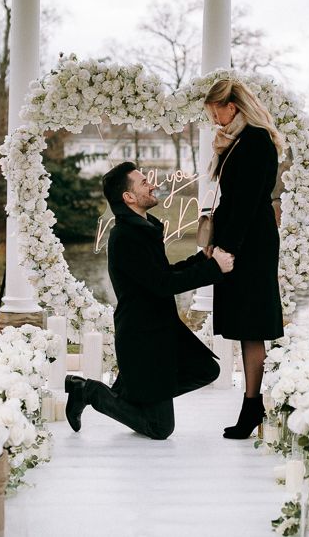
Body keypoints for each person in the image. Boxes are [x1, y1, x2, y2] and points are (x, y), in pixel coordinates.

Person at [64, 161, 235, 440]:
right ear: (128, 197)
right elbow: (162, 285)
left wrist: (201, 259)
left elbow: (161, 274)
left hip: (160, 330)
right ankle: (89, 391)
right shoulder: (125, 237)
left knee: (206, 369)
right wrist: (213, 269)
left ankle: (130, 393)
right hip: (143, 339)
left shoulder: (143, 229)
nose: (153, 184)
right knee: (159, 428)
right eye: (143, 182)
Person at [204, 77, 286, 439]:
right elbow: (233, 201)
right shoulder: (239, 140)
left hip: (250, 243)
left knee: (251, 325)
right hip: (243, 236)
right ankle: (253, 404)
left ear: (232, 106)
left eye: (216, 112)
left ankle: (253, 405)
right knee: (245, 325)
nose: (215, 120)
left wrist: (226, 248)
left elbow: (248, 202)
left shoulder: (255, 140)